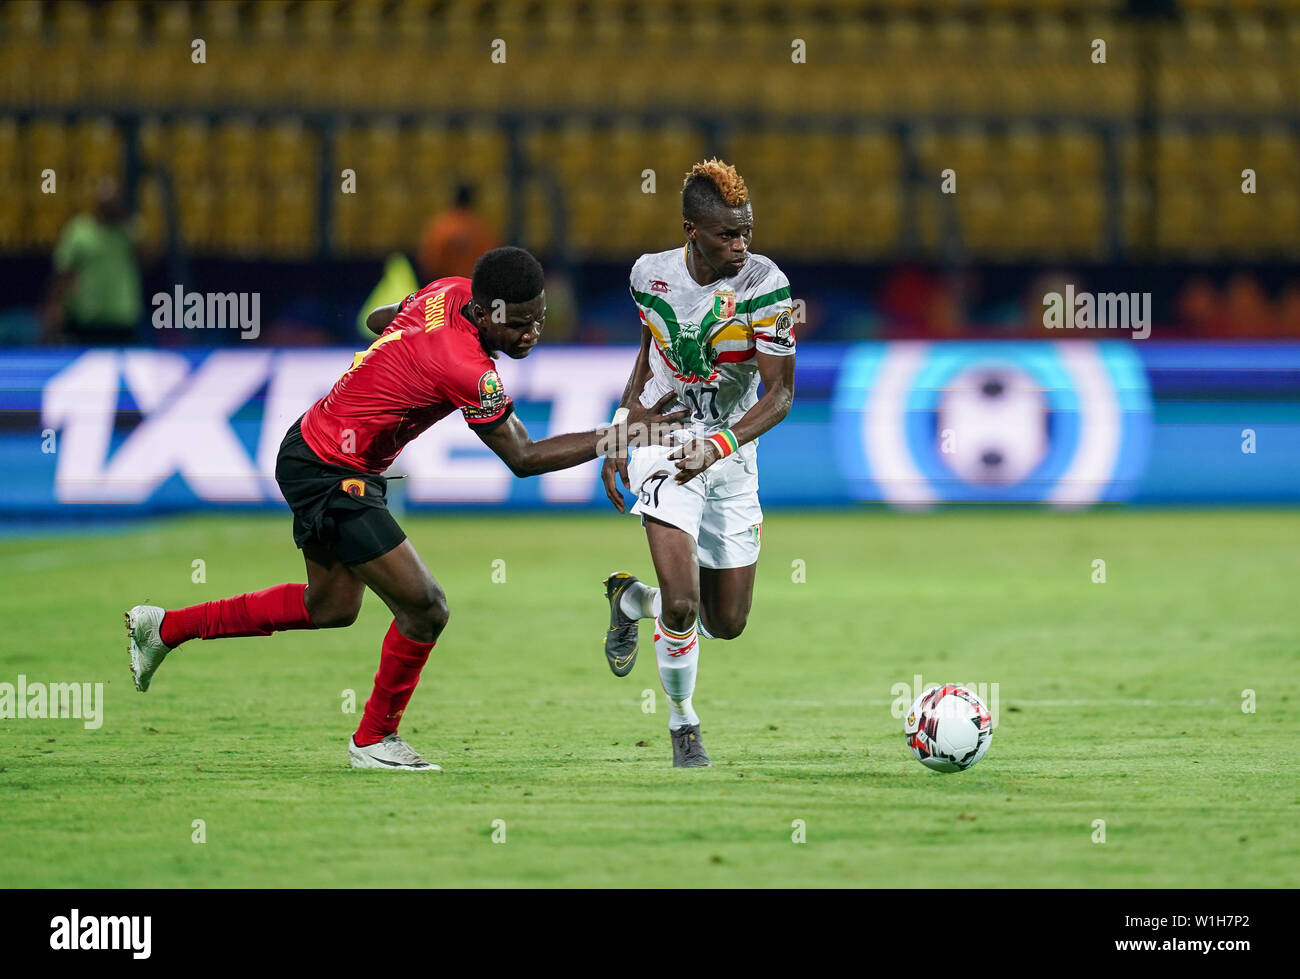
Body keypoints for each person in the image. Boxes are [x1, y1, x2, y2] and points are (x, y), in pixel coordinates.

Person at [125, 247, 685, 771]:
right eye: (518, 323)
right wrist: (627, 433)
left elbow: (381, 319)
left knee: (332, 607)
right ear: (487, 313)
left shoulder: (448, 290)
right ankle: (374, 739)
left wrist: (401, 348)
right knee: (426, 607)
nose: (532, 333)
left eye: (537, 318)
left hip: (317, 448)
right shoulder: (468, 368)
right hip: (330, 469)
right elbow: (525, 456)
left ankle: (165, 628)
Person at [599, 160, 796, 768]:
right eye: (726, 236)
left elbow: (780, 395)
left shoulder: (766, 287)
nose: (741, 246)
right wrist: (623, 424)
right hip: (664, 439)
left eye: (746, 232)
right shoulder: (647, 275)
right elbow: (649, 344)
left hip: (730, 450)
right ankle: (684, 726)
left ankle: (633, 601)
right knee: (684, 605)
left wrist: (718, 446)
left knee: (726, 621)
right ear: (691, 229)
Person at [43, 176, 142, 346]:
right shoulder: (79, 231)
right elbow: (64, 272)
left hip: (122, 317)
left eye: (115, 201)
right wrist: (55, 306)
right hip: (86, 317)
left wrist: (129, 226)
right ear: (98, 203)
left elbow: (148, 259)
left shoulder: (129, 230)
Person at [417, 183, 499, 282]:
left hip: (446, 288)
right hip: (473, 288)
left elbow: (430, 263)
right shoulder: (482, 230)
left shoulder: (441, 227)